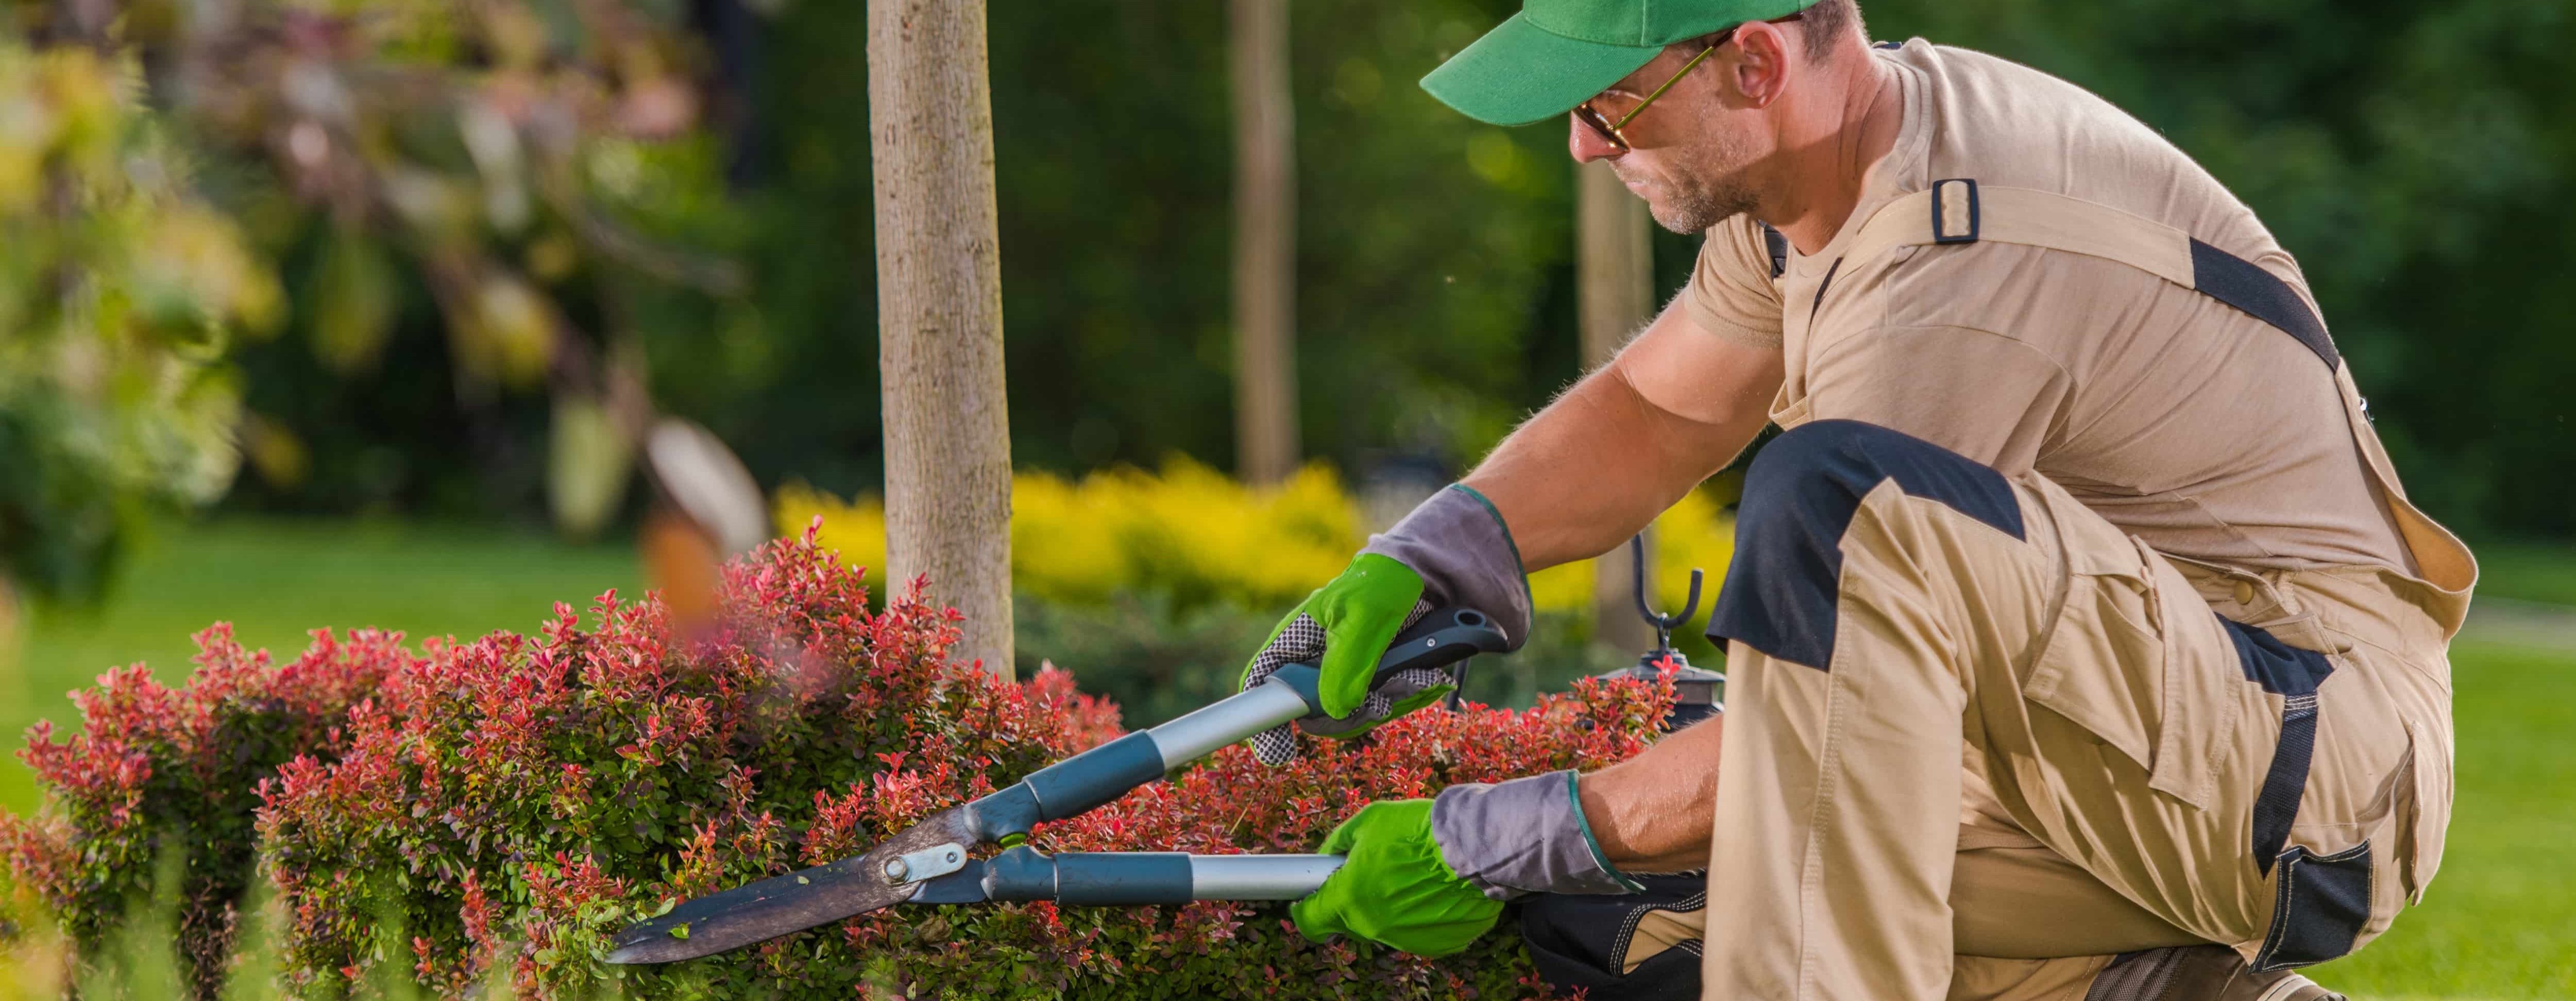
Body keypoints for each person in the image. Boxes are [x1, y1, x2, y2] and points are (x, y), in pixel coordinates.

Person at [1246, 1, 2476, 998]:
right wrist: (1442, 552)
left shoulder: (1955, 268)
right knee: (1627, 916)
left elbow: (1802, 735)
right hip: (2138, 743)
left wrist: (1501, 831)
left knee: (1827, 513)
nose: (1581, 144)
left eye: (1608, 106)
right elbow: (1663, 406)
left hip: (2304, 762)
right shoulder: (1827, 173)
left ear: (1754, 63)